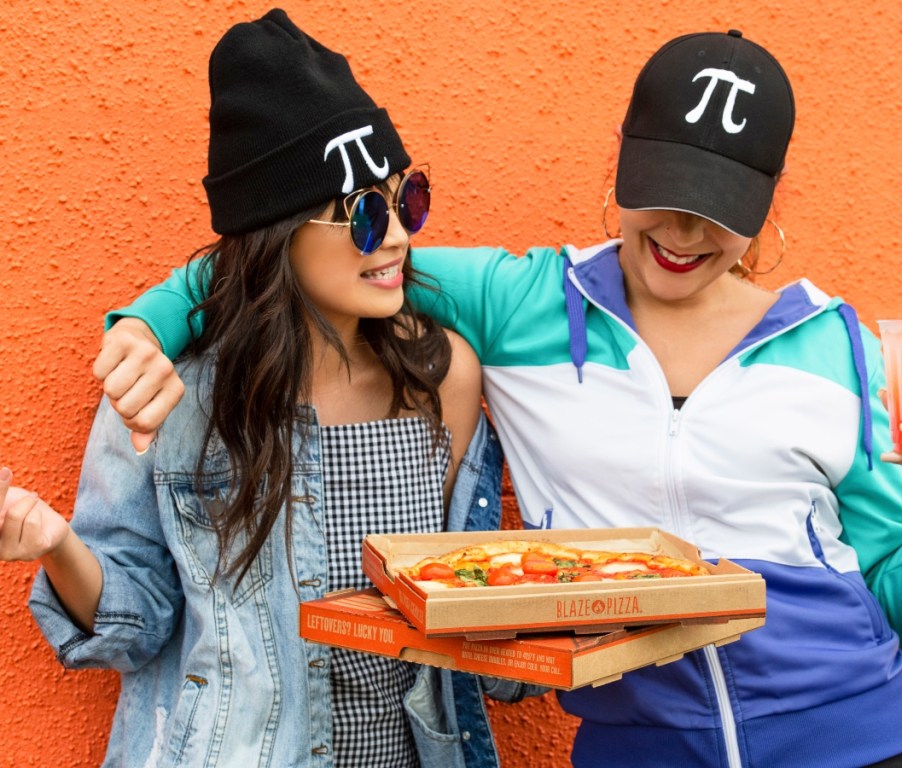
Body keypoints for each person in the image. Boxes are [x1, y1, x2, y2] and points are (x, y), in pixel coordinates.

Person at [94, 29, 902, 768]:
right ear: (621, 162)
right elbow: (281, 255)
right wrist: (142, 325)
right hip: (639, 748)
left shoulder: (841, 348)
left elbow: (895, 604)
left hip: (857, 740)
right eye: (665, 192)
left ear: (766, 202)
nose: (684, 233)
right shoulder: (519, 301)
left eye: (719, 208)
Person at [1, 9, 518, 767]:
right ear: (278, 234)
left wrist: (554, 607)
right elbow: (134, 624)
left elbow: (459, 608)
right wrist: (54, 546)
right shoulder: (174, 397)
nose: (401, 237)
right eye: (365, 216)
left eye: (405, 200)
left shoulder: (442, 378)